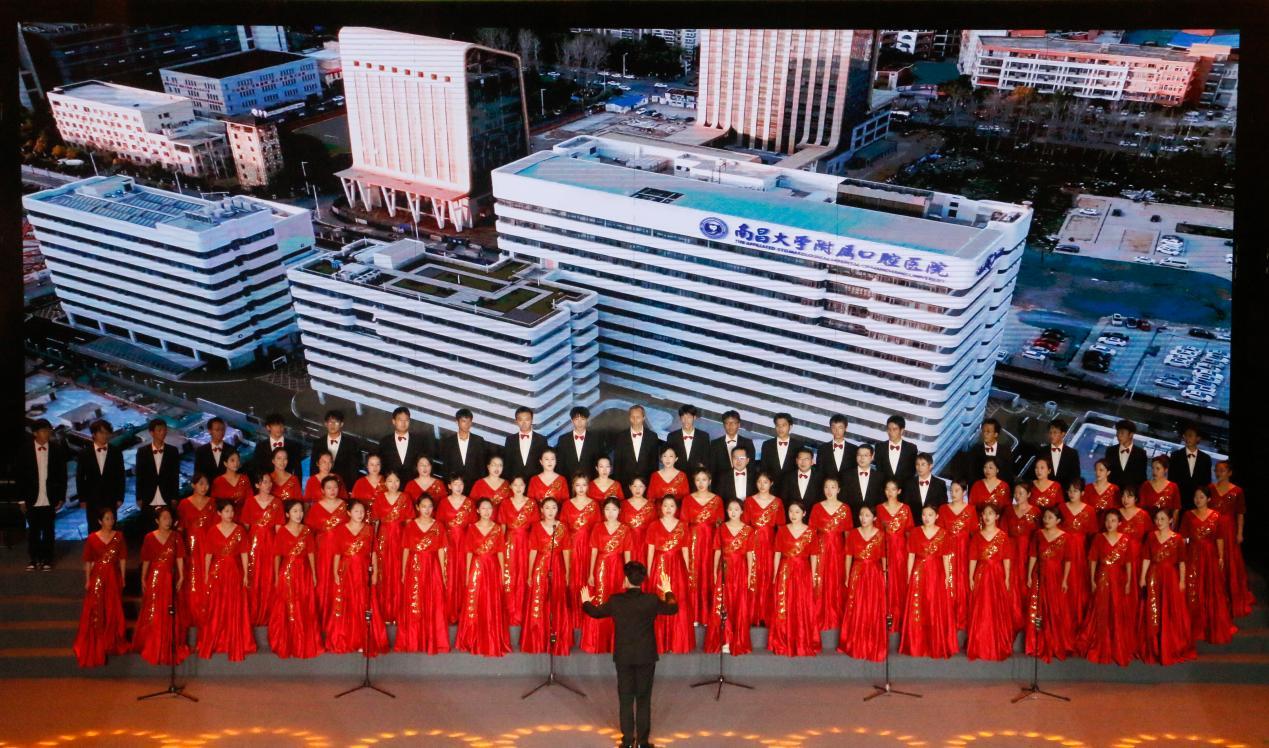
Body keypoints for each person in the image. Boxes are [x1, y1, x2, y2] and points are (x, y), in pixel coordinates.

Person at [581, 562, 679, 748]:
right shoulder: (651, 600)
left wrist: (585, 601)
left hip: (624, 657)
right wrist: (668, 590)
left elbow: (595, 613)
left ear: (626, 580)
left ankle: (627, 741)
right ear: (642, 581)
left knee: (625, 699)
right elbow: (673, 608)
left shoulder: (616, 600)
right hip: (646, 656)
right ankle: (642, 742)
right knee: (643, 698)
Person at [326, 500, 389, 655]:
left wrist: (375, 573)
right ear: (349, 513)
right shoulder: (340, 530)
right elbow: (337, 554)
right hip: (346, 571)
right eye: (356, 511)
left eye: (362, 511)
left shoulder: (369, 530)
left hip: (363, 570)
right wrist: (335, 573)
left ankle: (363, 639)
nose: (360, 514)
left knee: (364, 603)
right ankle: (347, 638)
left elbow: (373, 553)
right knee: (347, 603)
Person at [1075, 510, 1137, 666]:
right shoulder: (1099, 538)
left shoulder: (1125, 539)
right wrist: (1092, 580)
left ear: (1119, 523)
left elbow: (1129, 563)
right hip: (1102, 577)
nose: (1110, 523)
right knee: (1101, 609)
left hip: (1119, 579)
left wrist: (1129, 582)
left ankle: (1117, 644)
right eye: (1108, 520)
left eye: (1113, 520)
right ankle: (1100, 642)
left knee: (1117, 609)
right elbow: (1092, 560)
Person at [199, 499, 256, 661]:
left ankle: (234, 639)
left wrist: (245, 574)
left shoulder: (239, 530)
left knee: (234, 604)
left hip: (234, 572)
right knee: (217, 605)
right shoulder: (213, 531)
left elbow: (244, 553)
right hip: (217, 572)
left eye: (231, 511)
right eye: (226, 511)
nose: (230, 514)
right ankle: (217, 638)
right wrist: (206, 575)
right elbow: (208, 555)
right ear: (219, 513)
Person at [133, 506, 189, 666]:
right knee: (154, 609)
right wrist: (143, 577)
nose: (168, 521)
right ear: (157, 520)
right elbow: (146, 559)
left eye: (169, 518)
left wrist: (181, 575)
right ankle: (153, 643)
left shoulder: (176, 536)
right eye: (164, 518)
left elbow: (179, 557)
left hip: (170, 577)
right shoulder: (149, 537)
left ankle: (168, 642)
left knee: (170, 609)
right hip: (155, 577)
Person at [1138, 508, 1195, 665]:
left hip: (1170, 578)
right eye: (1157, 519)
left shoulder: (1177, 538)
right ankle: (1154, 646)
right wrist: (1142, 577)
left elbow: (1182, 562)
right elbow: (1146, 558)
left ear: (1170, 520)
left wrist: (1182, 580)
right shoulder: (1151, 536)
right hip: (1154, 575)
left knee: (1170, 609)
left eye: (1163, 518)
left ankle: (1170, 646)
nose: (1159, 522)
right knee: (1153, 609)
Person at [455, 498, 511, 657]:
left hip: (492, 567)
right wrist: (468, 574)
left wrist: (502, 573)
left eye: (489, 508)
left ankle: (492, 638)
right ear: (478, 511)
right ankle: (472, 637)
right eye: (483, 508)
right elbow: (468, 552)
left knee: (491, 600)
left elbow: (500, 552)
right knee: (475, 600)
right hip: (477, 566)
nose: (487, 511)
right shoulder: (472, 528)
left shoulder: (497, 528)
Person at [899, 506, 957, 658]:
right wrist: (909, 576)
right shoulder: (915, 532)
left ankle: (936, 643)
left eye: (930, 515)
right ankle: (917, 644)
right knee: (919, 606)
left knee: (934, 606)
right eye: (924, 514)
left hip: (937, 574)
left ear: (937, 516)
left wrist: (948, 577)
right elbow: (911, 556)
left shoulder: (943, 534)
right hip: (919, 573)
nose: (926, 518)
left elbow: (946, 557)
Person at [395, 494, 450, 654]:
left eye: (430, 506)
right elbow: (406, 549)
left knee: (433, 600)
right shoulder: (410, 526)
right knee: (415, 601)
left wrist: (443, 572)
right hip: (414, 567)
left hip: (433, 566)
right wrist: (404, 571)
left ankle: (434, 640)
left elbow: (441, 550)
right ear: (417, 507)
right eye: (424, 506)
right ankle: (413, 640)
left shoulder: (438, 526)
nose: (427, 510)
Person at [1180, 487, 1236, 645]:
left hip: (1210, 555)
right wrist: (1183, 554)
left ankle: (1211, 626)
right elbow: (1183, 538)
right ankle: (1193, 627)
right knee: (1193, 587)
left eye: (1201, 497)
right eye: (1196, 497)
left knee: (1211, 587)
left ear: (1209, 499)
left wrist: (1220, 556)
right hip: (1192, 555)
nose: (1198, 500)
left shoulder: (1216, 516)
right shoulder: (1188, 515)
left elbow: (1219, 538)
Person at [269, 499, 324, 659]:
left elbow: (311, 553)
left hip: (304, 572)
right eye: (295, 511)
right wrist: (276, 576)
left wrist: (314, 574)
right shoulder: (282, 531)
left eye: (300, 511)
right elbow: (277, 556)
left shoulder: (306, 531)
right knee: (288, 606)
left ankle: (304, 642)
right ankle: (288, 643)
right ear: (287, 514)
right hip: (287, 572)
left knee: (304, 604)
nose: (299, 514)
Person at [73, 507, 127, 668]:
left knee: (112, 607)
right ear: (100, 521)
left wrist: (123, 577)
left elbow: (122, 558)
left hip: (113, 577)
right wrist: (87, 580)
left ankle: (111, 640)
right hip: (97, 577)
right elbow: (88, 561)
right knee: (97, 608)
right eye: (107, 518)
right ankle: (98, 640)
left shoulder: (119, 537)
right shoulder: (92, 538)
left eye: (112, 518)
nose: (111, 521)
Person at [520, 497, 572, 655]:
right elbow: (533, 551)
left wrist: (567, 572)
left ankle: (557, 638)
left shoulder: (562, 527)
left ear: (558, 510)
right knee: (539, 600)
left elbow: (566, 551)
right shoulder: (536, 527)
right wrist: (530, 573)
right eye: (547, 507)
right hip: (541, 566)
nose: (550, 511)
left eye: (554, 507)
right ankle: (537, 639)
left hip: (557, 565)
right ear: (542, 510)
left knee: (557, 600)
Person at [582, 497, 634, 654]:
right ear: (603, 511)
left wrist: (628, 575)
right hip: (601, 566)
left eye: (614, 509)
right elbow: (593, 551)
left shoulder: (625, 529)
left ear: (619, 511)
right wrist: (591, 573)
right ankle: (596, 641)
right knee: (601, 599)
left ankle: (616, 642)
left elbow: (627, 553)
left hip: (618, 567)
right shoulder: (598, 527)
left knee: (618, 600)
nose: (610, 513)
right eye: (607, 509)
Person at [768, 501, 821, 656]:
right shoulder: (782, 530)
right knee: (785, 604)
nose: (793, 515)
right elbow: (777, 553)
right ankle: (783, 639)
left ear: (804, 514)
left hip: (803, 571)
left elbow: (814, 556)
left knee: (802, 604)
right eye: (791, 511)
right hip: (785, 571)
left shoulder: (811, 532)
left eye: (797, 512)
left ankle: (802, 639)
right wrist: (775, 574)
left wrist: (813, 576)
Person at [704, 499, 755, 656]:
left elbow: (750, 554)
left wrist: (750, 575)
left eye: (736, 509)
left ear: (742, 511)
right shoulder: (721, 528)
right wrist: (715, 571)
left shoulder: (748, 530)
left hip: (740, 569)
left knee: (738, 602)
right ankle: (724, 640)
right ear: (726, 511)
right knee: (723, 602)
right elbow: (717, 552)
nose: (733, 512)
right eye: (730, 509)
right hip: (725, 568)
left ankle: (737, 640)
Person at [1024, 507, 1074, 663]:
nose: (1046, 520)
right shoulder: (1038, 534)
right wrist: (1029, 575)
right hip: (1039, 574)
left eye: (1050, 517)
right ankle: (1036, 643)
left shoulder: (1065, 537)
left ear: (1058, 520)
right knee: (1037, 608)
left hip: (1056, 576)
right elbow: (1033, 555)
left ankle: (1055, 642)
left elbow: (1068, 560)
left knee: (1054, 608)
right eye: (1045, 517)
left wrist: (1065, 580)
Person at [839, 505, 888, 661]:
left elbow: (884, 557)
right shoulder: (853, 534)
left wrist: (885, 575)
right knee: (857, 605)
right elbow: (848, 556)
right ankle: (856, 642)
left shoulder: (881, 535)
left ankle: (872, 643)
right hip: (858, 572)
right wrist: (847, 576)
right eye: (861, 515)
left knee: (873, 606)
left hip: (874, 573)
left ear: (874, 518)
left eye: (867, 515)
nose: (863, 518)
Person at [645, 495, 694, 653]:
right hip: (659, 565)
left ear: (676, 508)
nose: (668, 509)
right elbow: (650, 550)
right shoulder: (653, 525)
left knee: (677, 599)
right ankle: (659, 643)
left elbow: (685, 550)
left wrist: (687, 571)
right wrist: (649, 570)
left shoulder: (683, 526)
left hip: (677, 566)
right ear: (661, 507)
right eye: (665, 505)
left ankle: (676, 642)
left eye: (671, 506)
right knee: (659, 599)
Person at [19, 419, 68, 572]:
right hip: (31, 497)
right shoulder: (25, 450)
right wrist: (21, 500)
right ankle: (34, 559)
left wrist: (61, 497)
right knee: (33, 531)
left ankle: (47, 559)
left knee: (48, 530)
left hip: (49, 496)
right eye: (44, 430)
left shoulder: (56, 449)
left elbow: (62, 476)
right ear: (35, 433)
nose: (47, 433)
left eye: (48, 430)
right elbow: (20, 477)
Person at [966, 505, 1013, 661]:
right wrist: (970, 577)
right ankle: (980, 643)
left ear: (997, 516)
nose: (987, 516)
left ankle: (997, 643)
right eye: (985, 513)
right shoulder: (977, 536)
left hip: (997, 575)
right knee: (981, 607)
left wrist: (1007, 577)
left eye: (991, 513)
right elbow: (973, 558)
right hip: (981, 574)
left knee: (996, 606)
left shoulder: (1003, 536)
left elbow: (1006, 558)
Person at [1208, 461, 1254, 617]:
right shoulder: (1210, 488)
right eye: (1216, 470)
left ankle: (1229, 594)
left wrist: (1239, 532)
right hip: (1213, 528)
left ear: (1229, 472)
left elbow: (1240, 514)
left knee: (1229, 560)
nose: (1218, 473)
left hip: (1228, 530)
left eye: (1222, 470)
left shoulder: (1237, 491)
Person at [239, 472, 284, 626]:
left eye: (270, 482)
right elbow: (245, 529)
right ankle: (252, 615)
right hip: (253, 546)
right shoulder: (250, 502)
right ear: (257, 485)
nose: (268, 484)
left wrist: (280, 550)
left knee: (269, 577)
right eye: (264, 482)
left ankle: (270, 615)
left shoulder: (277, 502)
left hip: (271, 544)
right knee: (254, 577)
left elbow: (279, 530)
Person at [371, 470, 415, 623]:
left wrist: (410, 542)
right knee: (384, 572)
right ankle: (384, 612)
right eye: (390, 481)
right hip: (383, 540)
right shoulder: (379, 498)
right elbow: (376, 522)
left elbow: (409, 523)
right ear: (385, 483)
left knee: (399, 571)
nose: (393, 484)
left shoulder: (405, 498)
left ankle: (399, 612)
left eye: (396, 481)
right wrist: (373, 544)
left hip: (400, 539)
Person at [305, 476, 351, 621]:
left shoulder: (345, 506)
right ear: (322, 490)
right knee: (324, 580)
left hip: (343, 551)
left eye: (335, 487)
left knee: (340, 580)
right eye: (329, 488)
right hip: (323, 550)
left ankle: (339, 618)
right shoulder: (316, 508)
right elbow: (309, 533)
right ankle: (322, 616)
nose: (332, 490)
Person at [742, 471, 785, 625]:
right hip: (752, 543)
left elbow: (781, 528)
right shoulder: (749, 501)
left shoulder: (777, 502)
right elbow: (745, 526)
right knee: (753, 574)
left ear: (771, 483)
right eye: (759, 482)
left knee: (768, 574)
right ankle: (752, 614)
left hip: (770, 544)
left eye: (765, 482)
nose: (762, 485)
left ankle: (766, 615)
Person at [810, 477, 852, 631]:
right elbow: (811, 534)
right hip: (820, 550)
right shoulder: (816, 507)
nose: (829, 490)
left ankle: (836, 616)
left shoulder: (845, 509)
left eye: (833, 487)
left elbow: (848, 536)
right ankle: (817, 615)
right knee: (819, 580)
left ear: (838, 490)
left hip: (838, 551)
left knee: (836, 580)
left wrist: (848, 555)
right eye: (826, 487)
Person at [681, 469, 723, 621]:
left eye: (704, 479)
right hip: (692, 541)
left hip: (711, 542)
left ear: (710, 481)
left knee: (709, 573)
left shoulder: (717, 500)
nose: (701, 483)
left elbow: (720, 526)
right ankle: (692, 614)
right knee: (693, 573)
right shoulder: (687, 499)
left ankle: (707, 615)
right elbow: (684, 525)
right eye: (697, 479)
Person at [176, 474, 217, 627]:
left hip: (209, 546)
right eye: (201, 483)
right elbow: (180, 529)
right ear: (193, 485)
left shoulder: (212, 502)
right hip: (191, 547)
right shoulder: (184, 504)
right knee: (192, 579)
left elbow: (217, 527)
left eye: (206, 484)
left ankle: (209, 613)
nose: (204, 487)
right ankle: (193, 613)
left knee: (208, 577)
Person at [561, 475, 601, 628]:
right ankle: (573, 620)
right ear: (573, 487)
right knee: (572, 579)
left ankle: (587, 619)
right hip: (571, 547)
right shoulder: (567, 504)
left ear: (588, 486)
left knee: (587, 578)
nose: (581, 488)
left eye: (584, 485)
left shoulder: (594, 505)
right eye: (578, 485)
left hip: (589, 547)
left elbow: (598, 529)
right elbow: (563, 529)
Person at [499, 476, 539, 628]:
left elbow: (536, 528)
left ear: (525, 486)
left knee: (524, 574)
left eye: (521, 484)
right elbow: (502, 528)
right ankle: (509, 612)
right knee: (510, 575)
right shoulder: (505, 503)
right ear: (510, 487)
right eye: (515, 485)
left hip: (527, 543)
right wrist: (500, 547)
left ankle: (523, 613)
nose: (518, 488)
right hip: (509, 544)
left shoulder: (531, 503)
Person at [875, 479, 914, 632]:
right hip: (884, 552)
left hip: (901, 552)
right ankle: (885, 617)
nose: (890, 492)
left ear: (899, 491)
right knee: (886, 582)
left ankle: (901, 620)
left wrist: (910, 554)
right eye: (887, 489)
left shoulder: (906, 509)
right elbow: (876, 534)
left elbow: (909, 533)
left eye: (893, 489)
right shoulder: (879, 509)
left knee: (900, 583)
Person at [939, 480, 977, 632]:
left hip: (964, 551)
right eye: (951, 490)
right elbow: (939, 533)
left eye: (957, 490)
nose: (953, 493)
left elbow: (975, 534)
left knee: (963, 582)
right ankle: (947, 618)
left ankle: (962, 619)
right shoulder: (943, 509)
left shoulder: (971, 510)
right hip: (947, 552)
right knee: (948, 582)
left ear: (964, 492)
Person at [436, 476, 475, 625]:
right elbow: (439, 525)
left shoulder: (469, 502)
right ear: (449, 486)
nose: (458, 487)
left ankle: (463, 612)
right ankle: (448, 612)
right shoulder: (443, 503)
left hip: (465, 543)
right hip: (448, 544)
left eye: (461, 484)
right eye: (455, 484)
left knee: (464, 574)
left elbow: (473, 526)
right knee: (449, 575)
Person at [76, 420, 125, 532]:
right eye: (101, 433)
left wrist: (120, 497)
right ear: (94, 434)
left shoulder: (116, 452)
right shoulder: (84, 453)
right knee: (94, 528)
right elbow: (80, 477)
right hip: (92, 499)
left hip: (111, 497)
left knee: (111, 528)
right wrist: (82, 499)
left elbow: (120, 476)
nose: (105, 435)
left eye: (107, 433)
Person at [1060, 480, 1097, 626]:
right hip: (1062, 551)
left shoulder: (1089, 510)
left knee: (1078, 584)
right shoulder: (1061, 508)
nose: (1071, 494)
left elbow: (1093, 536)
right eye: (1069, 490)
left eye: (1075, 491)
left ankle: (1077, 620)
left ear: (1082, 493)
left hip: (1080, 552)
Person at [1005, 483, 1040, 633]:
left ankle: (1026, 624)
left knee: (1026, 585)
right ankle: (1011, 621)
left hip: (1027, 554)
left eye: (1021, 493)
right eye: (1016, 493)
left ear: (1029, 494)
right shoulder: (1008, 510)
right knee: (1011, 585)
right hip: (1011, 553)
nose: (1017, 496)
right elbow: (1003, 534)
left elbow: (1039, 536)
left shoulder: (1036, 512)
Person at [135, 418, 180, 528]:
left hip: (167, 496)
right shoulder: (142, 452)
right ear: (151, 433)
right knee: (149, 528)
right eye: (159, 430)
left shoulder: (173, 451)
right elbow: (140, 476)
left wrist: (175, 497)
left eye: (164, 430)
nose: (163, 432)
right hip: (148, 496)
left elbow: (175, 476)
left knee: (168, 527)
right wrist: (139, 497)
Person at [378, 406, 435, 482]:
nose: (403, 423)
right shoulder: (385, 442)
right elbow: (381, 466)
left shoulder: (419, 441)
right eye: (400, 420)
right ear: (393, 421)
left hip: (414, 484)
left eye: (406, 420)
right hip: (392, 485)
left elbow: (427, 464)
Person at [309, 410, 362, 492]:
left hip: (343, 487)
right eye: (330, 422)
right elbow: (313, 467)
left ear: (341, 424)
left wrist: (351, 490)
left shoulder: (351, 444)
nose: (332, 425)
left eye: (336, 422)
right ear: (326, 424)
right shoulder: (318, 443)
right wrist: (315, 486)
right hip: (321, 487)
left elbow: (354, 469)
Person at [438, 408, 489, 489]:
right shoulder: (448, 442)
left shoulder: (478, 441)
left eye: (469, 421)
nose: (467, 424)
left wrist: (482, 485)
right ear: (457, 422)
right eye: (464, 421)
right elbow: (446, 467)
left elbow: (482, 466)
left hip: (474, 486)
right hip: (455, 486)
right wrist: (448, 485)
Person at [614, 405, 660, 492]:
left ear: (643, 418)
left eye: (638, 417)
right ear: (629, 418)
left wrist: (653, 486)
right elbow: (617, 464)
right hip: (625, 485)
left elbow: (654, 464)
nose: (635, 420)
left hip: (646, 485)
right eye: (632, 417)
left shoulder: (652, 437)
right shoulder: (621, 437)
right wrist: (617, 487)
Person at [249, 413, 304, 485]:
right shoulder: (260, 446)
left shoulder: (294, 446)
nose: (279, 428)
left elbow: (298, 470)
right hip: (268, 486)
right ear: (268, 427)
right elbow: (257, 469)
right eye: (275, 425)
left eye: (281, 425)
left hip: (288, 485)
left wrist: (297, 487)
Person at [958, 418, 1015, 485]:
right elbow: (971, 473)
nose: (985, 434)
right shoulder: (975, 450)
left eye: (988, 431)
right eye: (983, 431)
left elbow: (1008, 474)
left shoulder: (1005, 451)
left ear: (996, 434)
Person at [1170, 423, 1213, 513]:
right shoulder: (1175, 456)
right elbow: (1171, 480)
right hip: (1177, 502)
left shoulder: (1206, 459)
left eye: (1190, 435)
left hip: (1197, 503)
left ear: (1198, 438)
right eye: (1186, 435)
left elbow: (1206, 483)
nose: (1187, 438)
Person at [502, 406, 549, 483]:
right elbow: (507, 464)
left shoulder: (541, 440)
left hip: (536, 483)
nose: (524, 423)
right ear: (516, 421)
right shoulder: (510, 440)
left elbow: (545, 464)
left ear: (532, 420)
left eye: (527, 419)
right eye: (520, 420)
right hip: (515, 484)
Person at [710, 411, 756, 488]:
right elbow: (712, 469)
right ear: (723, 425)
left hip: (743, 484)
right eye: (727, 423)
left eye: (733, 423)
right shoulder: (715, 444)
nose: (730, 426)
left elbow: (751, 467)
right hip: (721, 486)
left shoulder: (748, 443)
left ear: (739, 425)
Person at [557, 406, 604, 481]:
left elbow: (599, 462)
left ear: (587, 420)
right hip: (568, 482)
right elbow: (560, 464)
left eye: (582, 419)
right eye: (576, 419)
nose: (579, 422)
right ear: (572, 421)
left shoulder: (596, 439)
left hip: (590, 481)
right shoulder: (563, 439)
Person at [1033, 418, 1081, 490]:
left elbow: (1075, 477)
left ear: (1063, 434)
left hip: (1063, 492)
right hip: (1044, 491)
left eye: (1055, 432)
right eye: (1050, 432)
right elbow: (1034, 473)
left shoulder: (1072, 453)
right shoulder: (1042, 451)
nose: (1052, 435)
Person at [665, 404, 711, 474]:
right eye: (683, 417)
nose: (686, 420)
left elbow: (706, 458)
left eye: (689, 417)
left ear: (694, 417)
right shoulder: (672, 436)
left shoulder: (704, 436)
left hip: (696, 476)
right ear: (680, 418)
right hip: (677, 475)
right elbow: (668, 458)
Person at [759, 412, 805, 483]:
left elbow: (801, 467)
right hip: (772, 486)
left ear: (790, 427)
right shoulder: (767, 444)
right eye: (778, 425)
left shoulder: (798, 445)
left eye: (784, 425)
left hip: (791, 485)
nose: (780, 428)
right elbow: (763, 468)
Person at [874, 414, 918, 487]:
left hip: (904, 490)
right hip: (884, 489)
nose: (891, 432)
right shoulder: (879, 447)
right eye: (889, 429)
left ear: (902, 430)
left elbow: (912, 473)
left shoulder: (911, 448)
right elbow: (879, 471)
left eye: (894, 429)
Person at [1104, 419, 1147, 490]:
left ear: (1131, 434)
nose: (1118, 436)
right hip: (1111, 491)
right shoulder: (1110, 451)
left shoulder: (1141, 453)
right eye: (1118, 432)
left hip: (1130, 493)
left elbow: (1142, 478)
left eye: (1122, 433)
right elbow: (1106, 473)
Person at [902, 453, 947, 518]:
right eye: (917, 464)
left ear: (930, 466)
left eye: (923, 464)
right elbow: (905, 506)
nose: (919, 467)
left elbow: (943, 507)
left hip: (933, 522)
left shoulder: (940, 484)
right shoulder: (909, 483)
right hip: (913, 522)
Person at [816, 413, 857, 487]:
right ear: (830, 428)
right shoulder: (822, 449)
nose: (837, 431)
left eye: (840, 427)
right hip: (828, 490)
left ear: (846, 428)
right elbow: (819, 473)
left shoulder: (854, 449)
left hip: (848, 489)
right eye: (834, 427)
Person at [1140, 456, 1181, 528]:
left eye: (1158, 468)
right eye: (1153, 468)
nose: (1154, 471)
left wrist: (1172, 528)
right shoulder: (1146, 485)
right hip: (1147, 525)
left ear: (1166, 470)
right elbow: (1141, 508)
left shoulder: (1173, 487)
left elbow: (1176, 509)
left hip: (1165, 527)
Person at [842, 444, 884, 513]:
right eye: (859, 455)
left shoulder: (880, 477)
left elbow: (881, 501)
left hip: (872, 517)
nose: (862, 458)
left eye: (865, 455)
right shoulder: (846, 475)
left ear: (872, 457)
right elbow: (843, 499)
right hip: (850, 516)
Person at [620, 477, 657, 552]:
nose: (638, 489)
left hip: (645, 544)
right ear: (630, 487)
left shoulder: (651, 506)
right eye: (635, 486)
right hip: (628, 543)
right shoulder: (623, 505)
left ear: (645, 488)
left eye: (641, 486)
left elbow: (654, 528)